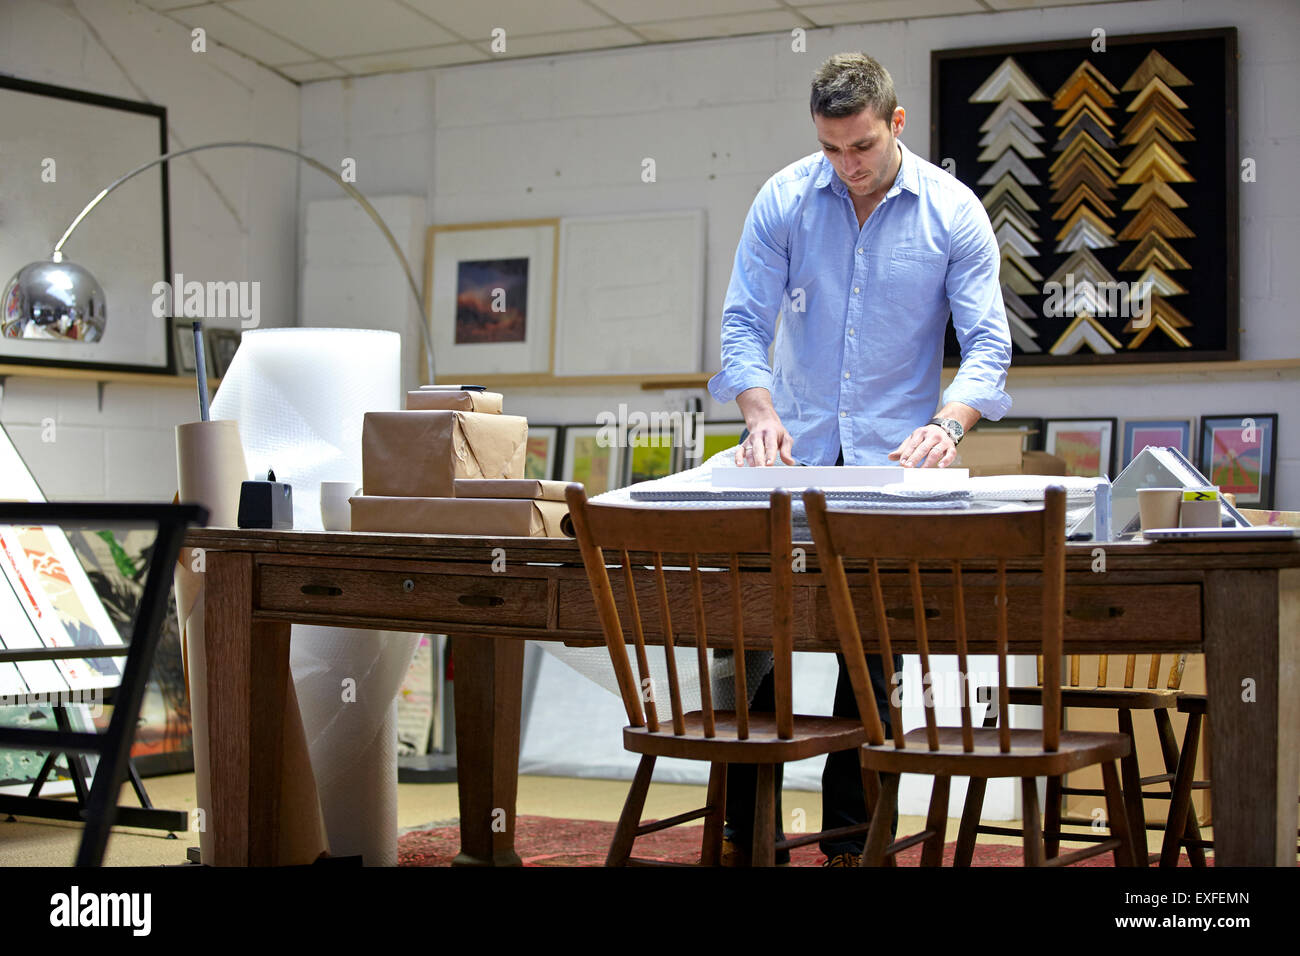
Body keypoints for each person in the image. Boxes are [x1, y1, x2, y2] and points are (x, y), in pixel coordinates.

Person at [706, 52, 1012, 866]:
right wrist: (759, 409)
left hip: (890, 465)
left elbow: (988, 349)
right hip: (788, 454)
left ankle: (849, 838)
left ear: (896, 123)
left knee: (869, 650)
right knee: (747, 636)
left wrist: (948, 424)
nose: (848, 166)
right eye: (832, 148)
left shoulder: (954, 213)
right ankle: (748, 830)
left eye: (863, 147)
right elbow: (742, 325)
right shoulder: (784, 198)